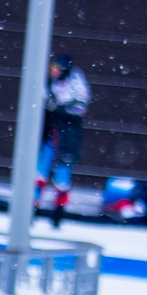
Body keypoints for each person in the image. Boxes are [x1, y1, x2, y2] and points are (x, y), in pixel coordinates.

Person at [38, 52, 91, 225]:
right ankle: (32, 207)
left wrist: (61, 108)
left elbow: (80, 105)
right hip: (50, 132)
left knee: (62, 173)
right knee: (40, 169)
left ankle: (58, 213)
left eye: (57, 68)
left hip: (67, 135)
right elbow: (42, 97)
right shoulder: (48, 81)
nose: (53, 71)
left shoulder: (76, 81)